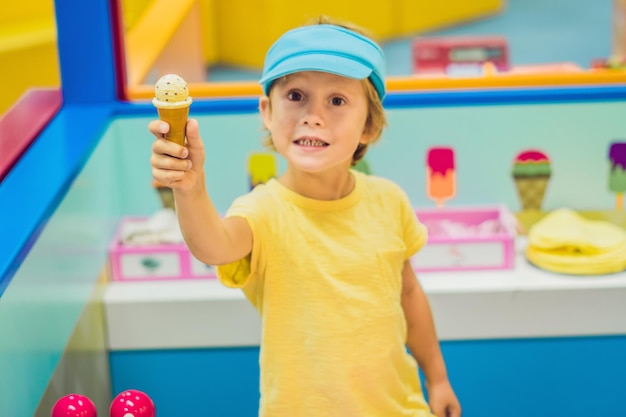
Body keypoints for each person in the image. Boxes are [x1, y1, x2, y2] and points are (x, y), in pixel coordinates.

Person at [149, 16, 461, 417]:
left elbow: (409, 295)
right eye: (296, 95)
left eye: (337, 100)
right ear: (266, 111)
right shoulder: (263, 211)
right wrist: (190, 189)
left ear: (369, 125)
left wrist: (437, 378)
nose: (313, 115)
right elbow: (214, 246)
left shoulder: (389, 201)